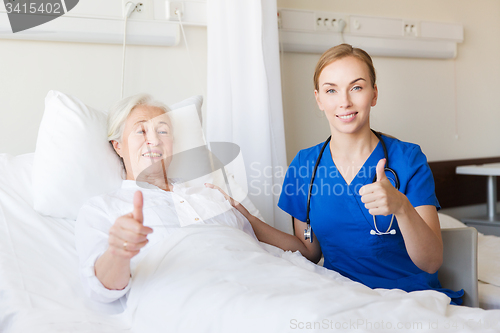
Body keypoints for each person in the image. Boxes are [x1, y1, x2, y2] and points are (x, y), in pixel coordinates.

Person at [207, 43, 463, 304]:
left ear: (374, 94)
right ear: (319, 99)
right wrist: (247, 218)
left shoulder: (408, 159)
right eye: (331, 90)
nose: (345, 102)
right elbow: (308, 250)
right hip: (343, 298)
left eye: (357, 87)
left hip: (411, 299)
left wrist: (401, 207)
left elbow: (431, 262)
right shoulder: (305, 165)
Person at [75, 93, 256, 304]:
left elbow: (280, 250)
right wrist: (118, 253)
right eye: (141, 131)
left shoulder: (210, 194)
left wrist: (249, 219)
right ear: (118, 146)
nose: (154, 140)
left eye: (163, 131)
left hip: (265, 280)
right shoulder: (102, 208)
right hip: (197, 300)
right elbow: (100, 292)